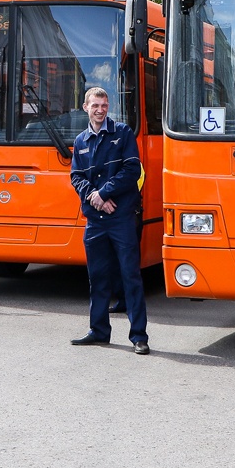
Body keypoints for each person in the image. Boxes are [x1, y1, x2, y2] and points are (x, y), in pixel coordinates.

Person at [69, 87, 149, 354]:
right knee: (98, 278)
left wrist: (103, 193)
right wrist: (94, 196)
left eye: (104, 105)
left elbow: (132, 169)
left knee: (131, 277)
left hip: (121, 219)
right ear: (85, 107)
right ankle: (99, 331)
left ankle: (139, 336)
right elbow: (76, 176)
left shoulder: (123, 133)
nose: (100, 109)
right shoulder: (80, 140)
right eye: (95, 105)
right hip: (95, 222)